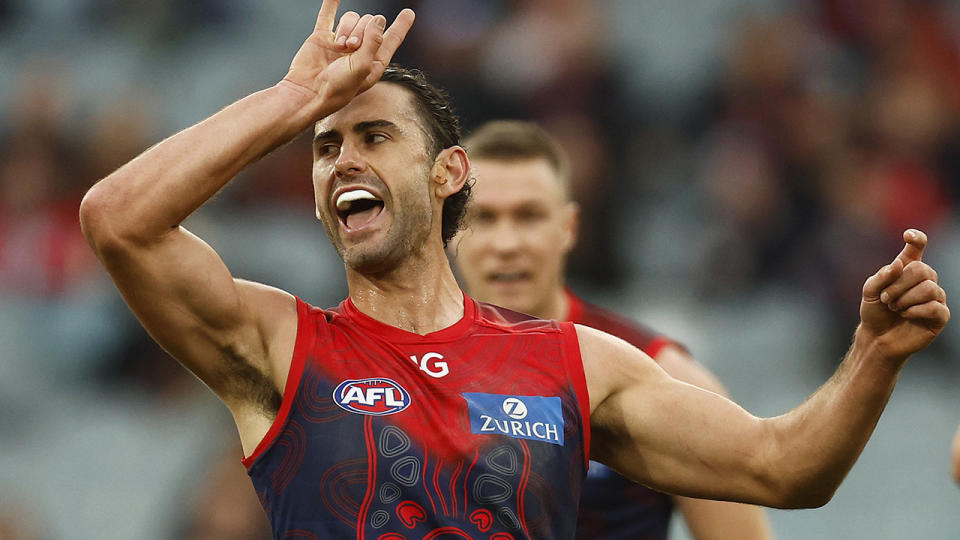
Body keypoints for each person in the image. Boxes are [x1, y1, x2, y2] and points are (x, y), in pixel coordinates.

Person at [78, 1, 950, 538]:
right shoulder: (280, 346)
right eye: (325, 149)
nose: (343, 159)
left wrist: (876, 350)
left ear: (450, 172)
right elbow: (119, 220)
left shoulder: (578, 362)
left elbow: (782, 468)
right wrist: (292, 101)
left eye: (375, 136)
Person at [453, 120, 773, 539]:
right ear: (451, 227)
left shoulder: (662, 374)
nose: (507, 242)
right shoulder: (398, 367)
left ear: (568, 227)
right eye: (484, 218)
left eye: (528, 216)